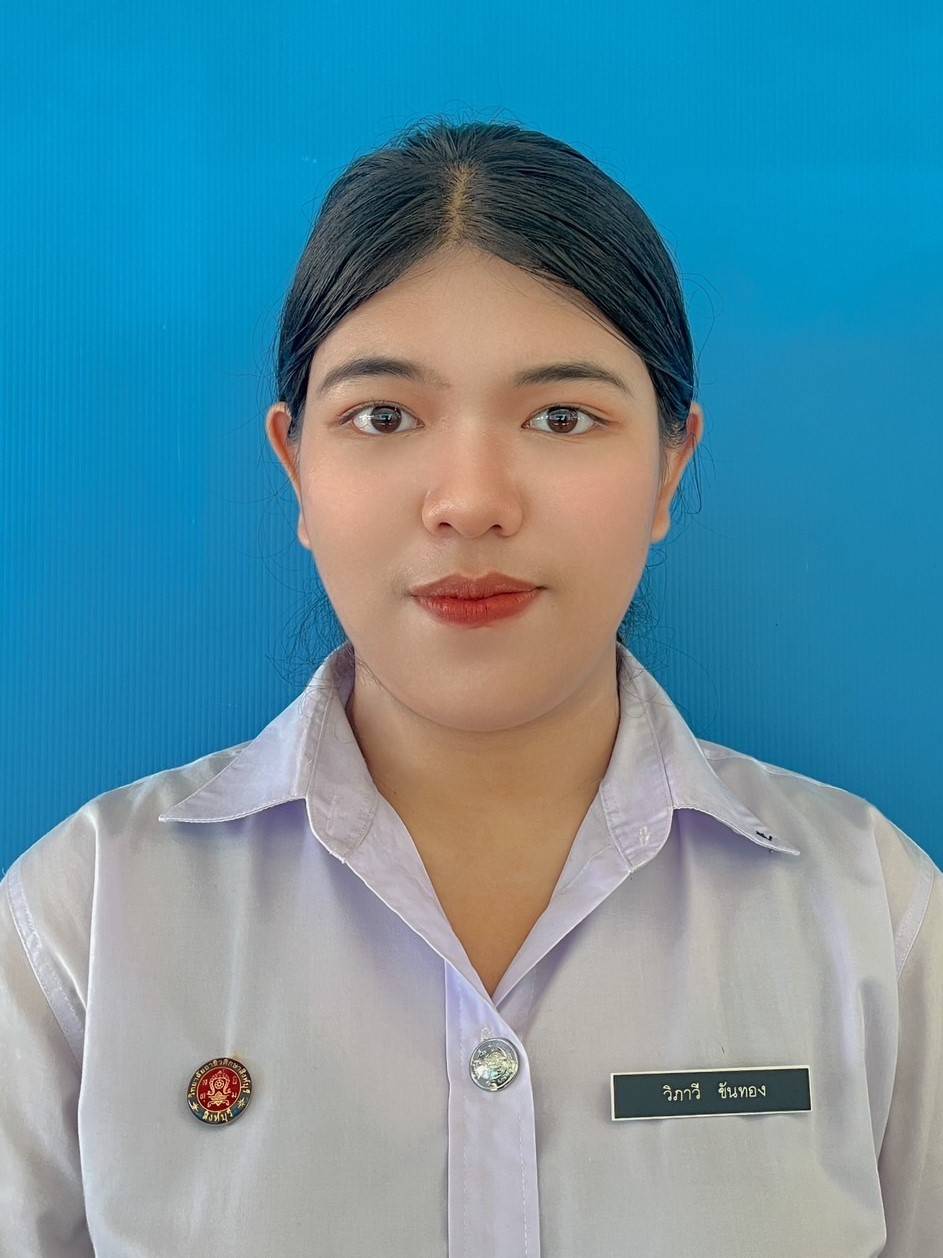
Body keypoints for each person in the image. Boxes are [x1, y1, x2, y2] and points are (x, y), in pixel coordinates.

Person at [1, 117, 939, 1258]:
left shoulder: (871, 915)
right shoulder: (83, 922)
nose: (471, 502)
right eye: (383, 416)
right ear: (296, 467)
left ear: (669, 467)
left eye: (561, 416)